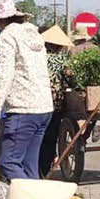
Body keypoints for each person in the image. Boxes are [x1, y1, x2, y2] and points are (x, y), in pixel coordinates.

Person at [0, 0, 53, 180]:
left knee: (8, 162)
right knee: (29, 165)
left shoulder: (6, 38)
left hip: (23, 109)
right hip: (44, 108)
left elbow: (2, 79)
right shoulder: (34, 35)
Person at [38, 25, 73, 176]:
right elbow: (71, 80)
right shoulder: (62, 61)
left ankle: (37, 170)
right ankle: (45, 170)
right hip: (55, 105)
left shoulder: (37, 58)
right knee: (50, 139)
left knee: (38, 139)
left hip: (37, 103)